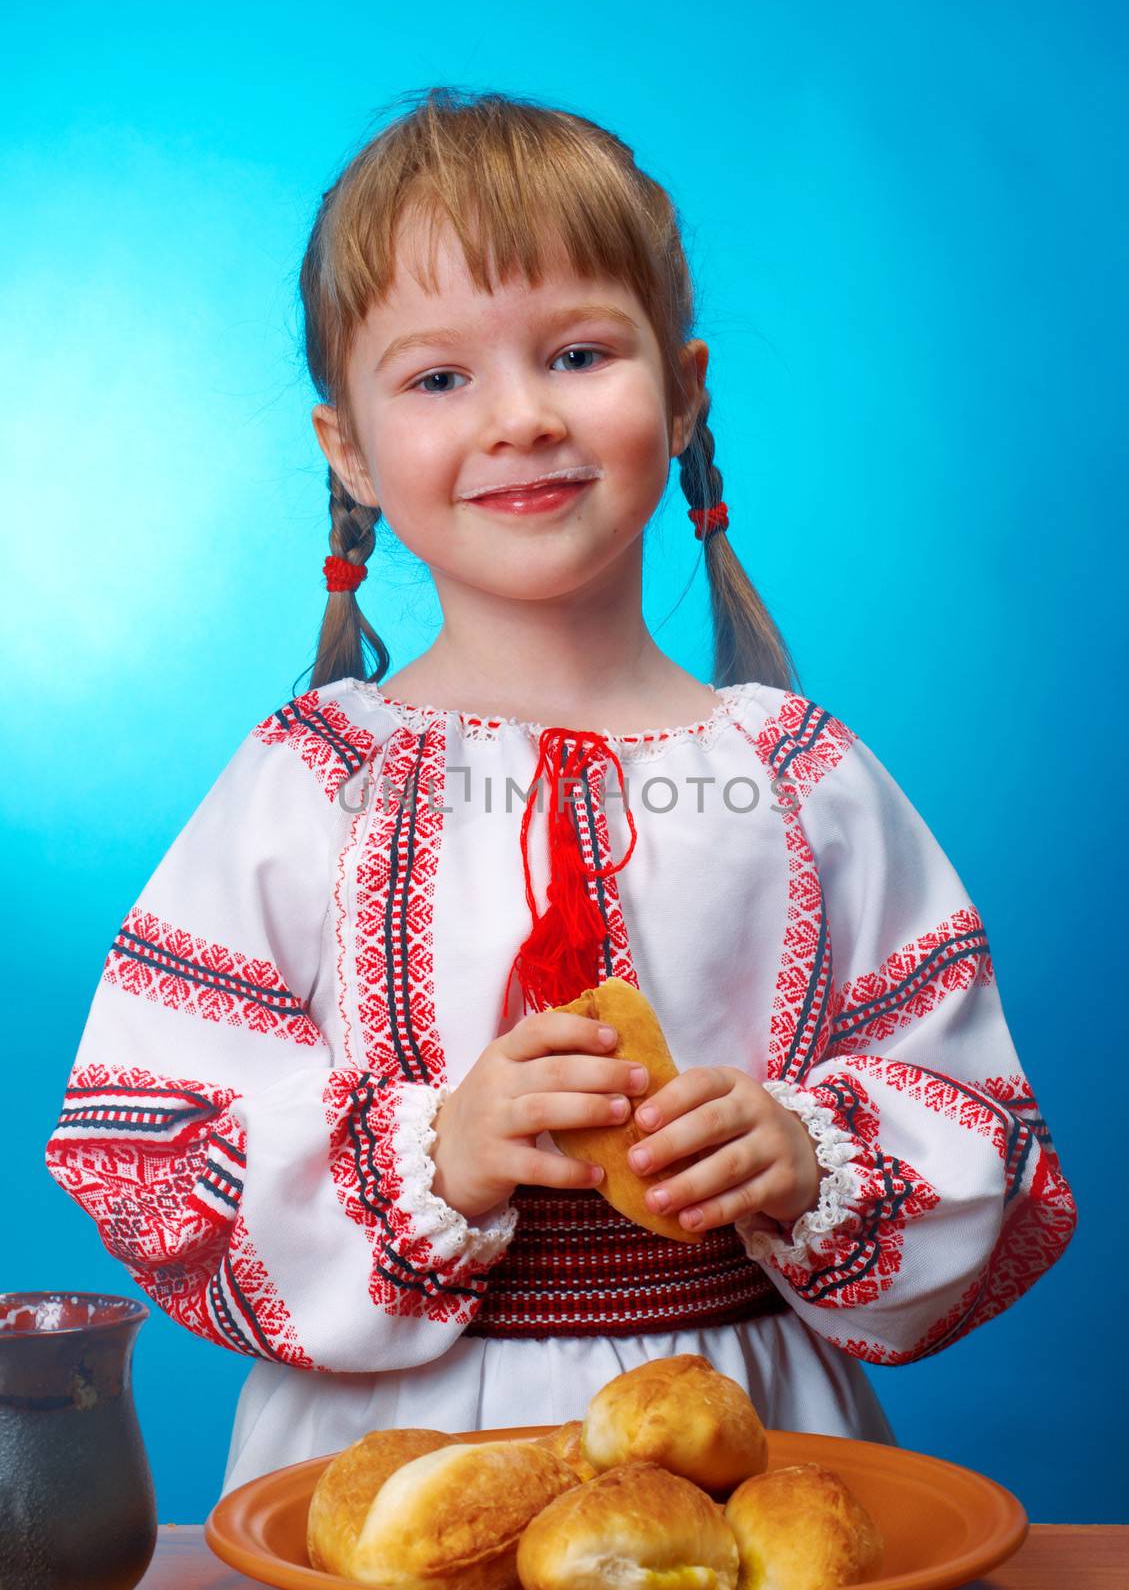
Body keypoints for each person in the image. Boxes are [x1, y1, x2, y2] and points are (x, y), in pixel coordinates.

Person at [45, 86, 1076, 1498]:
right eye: (436, 378)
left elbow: (984, 1130)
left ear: (685, 389)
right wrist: (440, 1152)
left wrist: (797, 1152)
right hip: (389, 1458)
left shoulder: (805, 780)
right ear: (345, 447)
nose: (521, 417)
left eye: (579, 352)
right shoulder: (310, 781)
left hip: (746, 1433)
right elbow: (145, 1143)